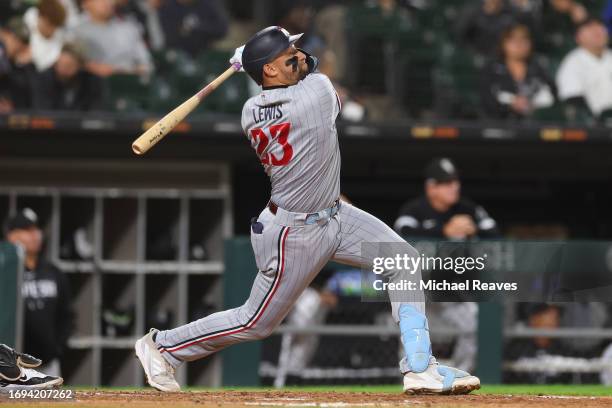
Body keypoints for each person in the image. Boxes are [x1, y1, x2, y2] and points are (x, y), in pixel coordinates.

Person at [135, 26, 480, 395]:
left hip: (334, 214)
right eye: (289, 54)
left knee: (404, 261)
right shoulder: (314, 96)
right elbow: (314, 68)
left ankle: (419, 366)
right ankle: (164, 347)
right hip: (294, 232)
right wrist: (265, 54)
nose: (299, 55)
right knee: (256, 321)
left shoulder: (250, 110)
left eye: (295, 50)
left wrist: (262, 55)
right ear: (269, 70)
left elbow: (289, 74)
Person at [5, 209, 73, 377]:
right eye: (28, 230)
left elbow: (66, 314)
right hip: (10, 364)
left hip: (47, 362)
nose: (35, 235)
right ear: (12, 236)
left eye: (37, 229)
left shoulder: (53, 272)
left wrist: (57, 348)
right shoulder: (5, 271)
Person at [394, 158, 499, 239]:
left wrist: (473, 230)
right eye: (447, 183)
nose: (456, 187)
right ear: (431, 188)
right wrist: (444, 231)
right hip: (426, 265)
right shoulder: (413, 208)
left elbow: (493, 230)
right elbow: (402, 232)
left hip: (461, 265)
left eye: (456, 181)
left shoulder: (468, 207)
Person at [480, 24, 556, 119]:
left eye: (524, 40)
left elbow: (550, 96)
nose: (519, 44)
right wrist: (511, 104)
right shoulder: (492, 69)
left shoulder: (538, 69)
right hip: (499, 124)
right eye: (513, 40)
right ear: (503, 43)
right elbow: (486, 100)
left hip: (534, 125)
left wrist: (532, 104)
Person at [74, 0, 153, 77]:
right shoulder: (77, 33)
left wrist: (133, 70)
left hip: (133, 81)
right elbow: (77, 64)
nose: (106, 2)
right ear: (85, 4)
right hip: (97, 84)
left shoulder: (129, 27)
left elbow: (146, 63)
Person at [556, 18, 612, 117]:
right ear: (578, 37)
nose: (597, 31)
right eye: (590, 28)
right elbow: (573, 99)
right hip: (594, 126)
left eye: (599, 26)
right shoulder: (572, 62)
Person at [32, 42, 105, 111]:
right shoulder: (44, 79)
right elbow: (43, 111)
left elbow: (96, 110)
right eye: (60, 64)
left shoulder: (92, 81)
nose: (62, 69)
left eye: (68, 66)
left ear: (80, 66)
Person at [158, 0, 228, 57]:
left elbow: (222, 30)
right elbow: (168, 36)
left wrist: (197, 28)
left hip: (204, 53)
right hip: (176, 55)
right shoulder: (168, 6)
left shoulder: (208, 4)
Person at [0, 17, 35, 112]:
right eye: (15, 39)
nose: (19, 46)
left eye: (23, 43)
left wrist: (24, 65)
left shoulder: (15, 63)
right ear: (4, 33)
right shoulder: (2, 52)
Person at [23, 0, 68, 72]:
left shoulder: (56, 49)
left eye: (54, 26)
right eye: (48, 24)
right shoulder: (28, 17)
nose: (51, 30)